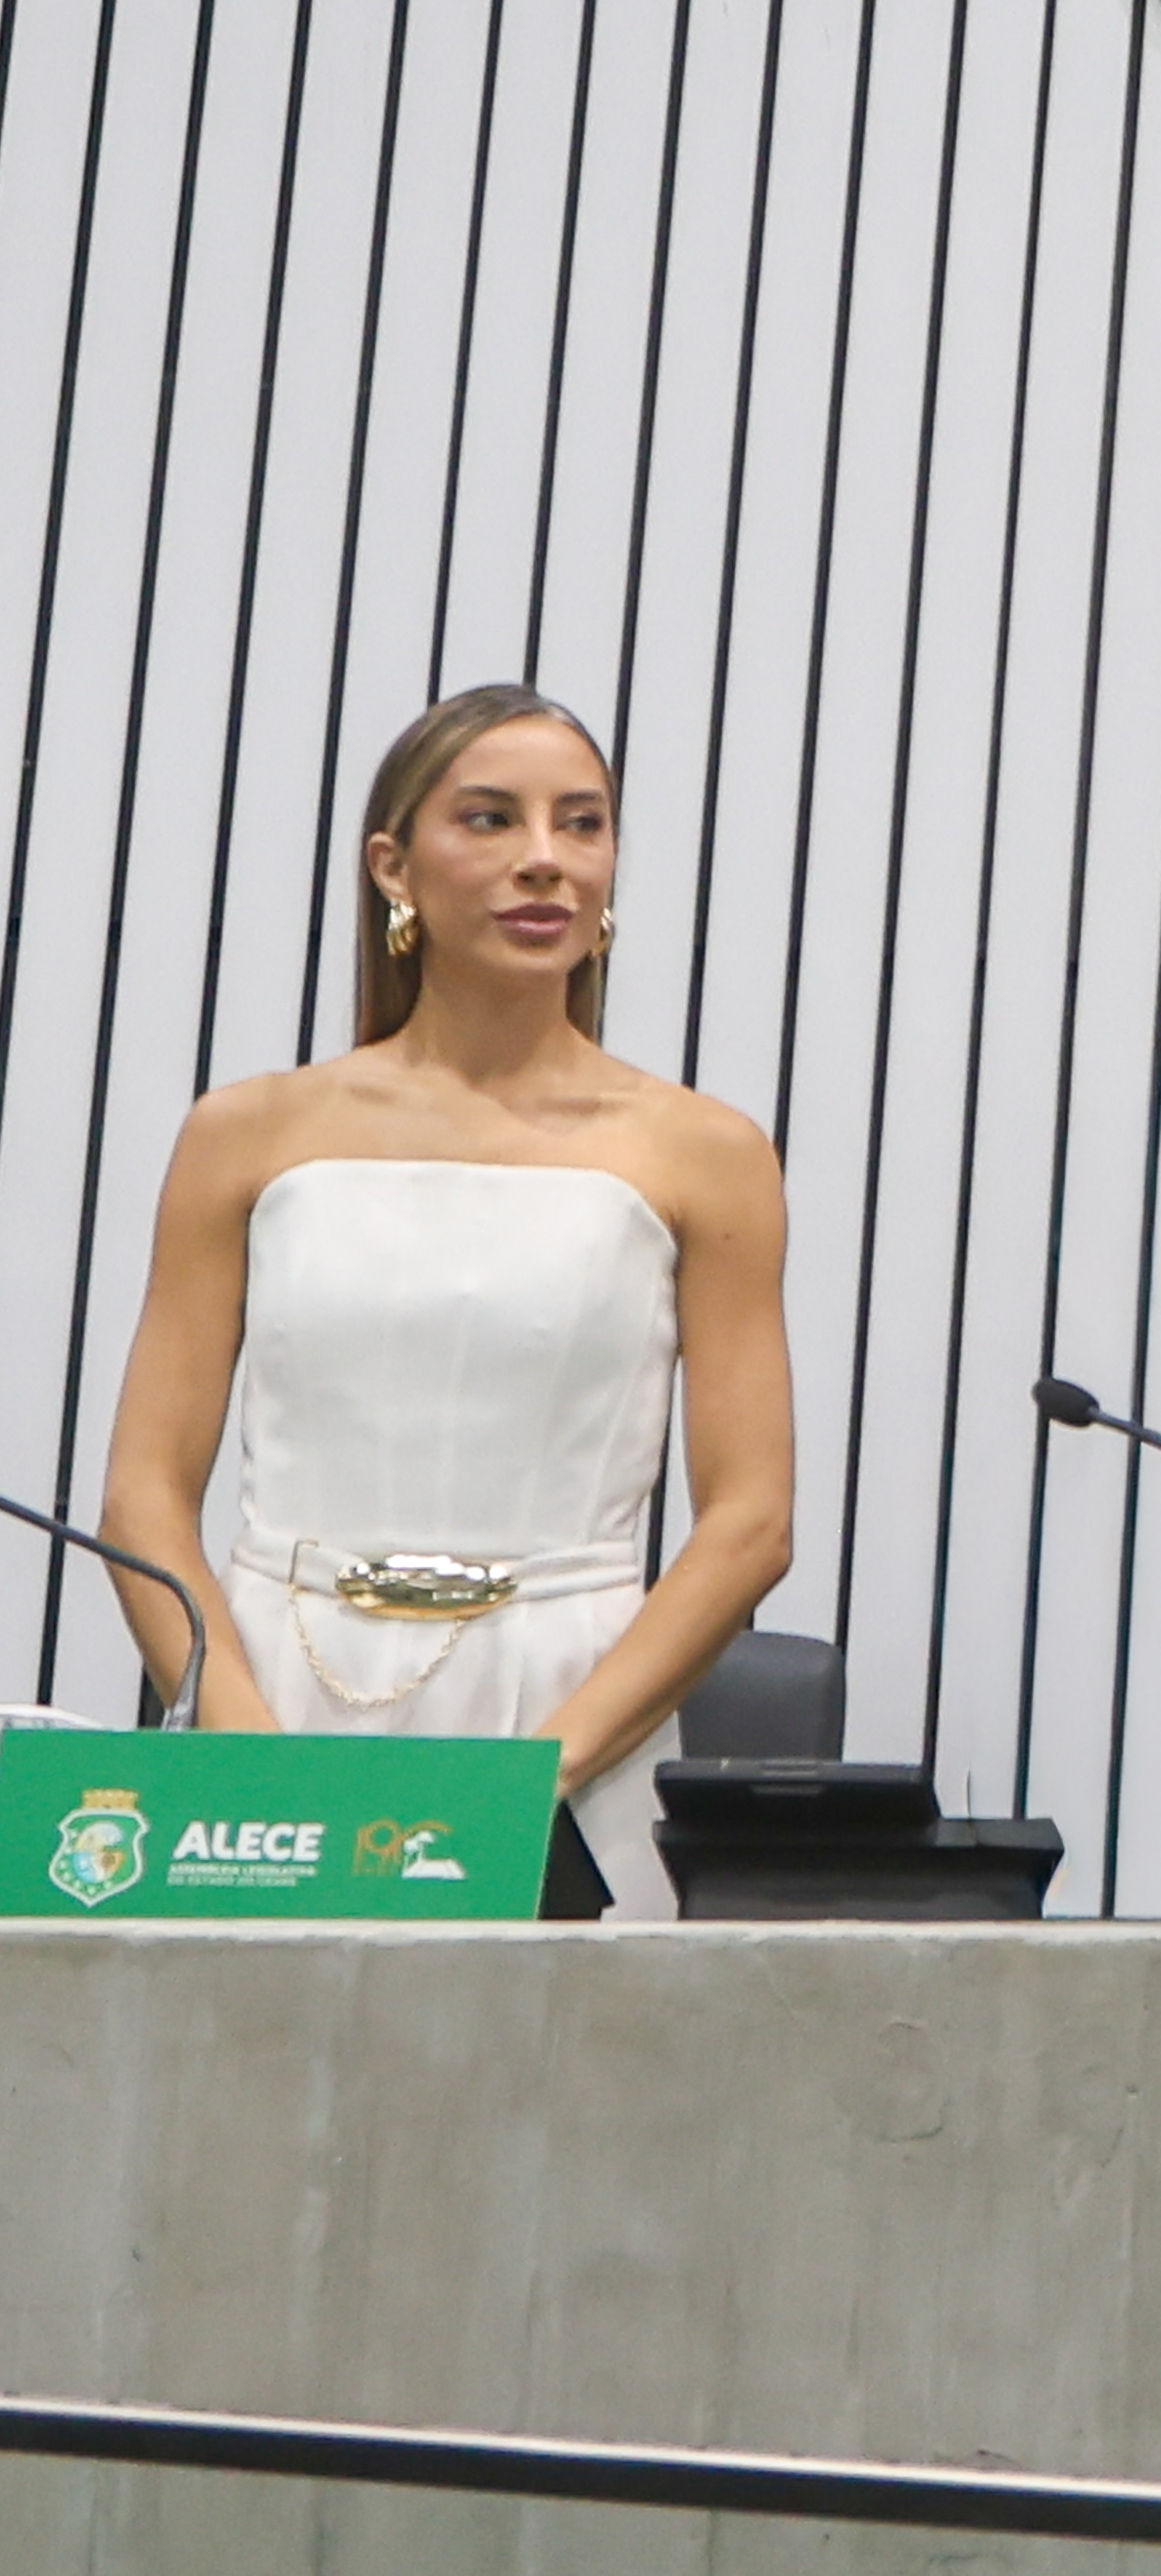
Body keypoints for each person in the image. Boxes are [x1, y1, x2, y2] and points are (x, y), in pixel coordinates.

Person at [96, 688, 797, 1921]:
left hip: (571, 1722)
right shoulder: (247, 1133)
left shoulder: (705, 1151)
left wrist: (538, 1772)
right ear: (392, 865)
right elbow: (145, 1490)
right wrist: (242, 1745)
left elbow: (749, 1522)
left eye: (582, 825)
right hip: (278, 1692)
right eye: (492, 818)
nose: (546, 859)